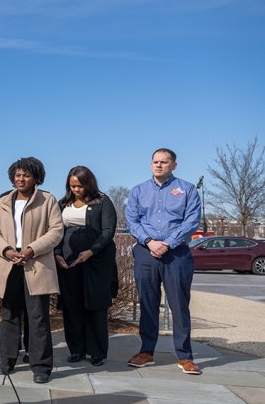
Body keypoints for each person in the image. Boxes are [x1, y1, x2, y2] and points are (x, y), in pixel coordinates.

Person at [125, 148, 202, 375]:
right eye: (155, 162)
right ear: (151, 164)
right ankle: (146, 352)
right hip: (145, 252)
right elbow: (132, 220)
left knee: (179, 305)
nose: (159, 165)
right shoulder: (138, 191)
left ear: (174, 166)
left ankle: (185, 357)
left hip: (177, 253)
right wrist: (149, 242)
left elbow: (191, 221)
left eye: (164, 162)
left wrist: (167, 243)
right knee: (147, 304)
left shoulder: (187, 190)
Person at [0, 157, 63, 384]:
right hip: (9, 262)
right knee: (9, 313)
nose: (21, 179)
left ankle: (41, 366)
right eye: (18, 175)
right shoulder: (3, 200)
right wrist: (7, 250)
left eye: (26, 175)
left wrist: (31, 249)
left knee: (37, 317)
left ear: (36, 177)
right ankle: (7, 359)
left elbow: (56, 230)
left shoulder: (47, 200)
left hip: (36, 263)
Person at [54, 166, 118, 367]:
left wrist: (91, 251)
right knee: (72, 306)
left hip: (96, 261)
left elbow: (108, 232)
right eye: (72, 186)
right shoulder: (63, 203)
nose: (76, 190)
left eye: (80, 186)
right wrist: (57, 254)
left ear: (89, 184)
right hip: (69, 260)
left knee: (95, 306)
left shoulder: (102, 202)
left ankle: (97, 351)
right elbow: (55, 231)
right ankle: (76, 349)